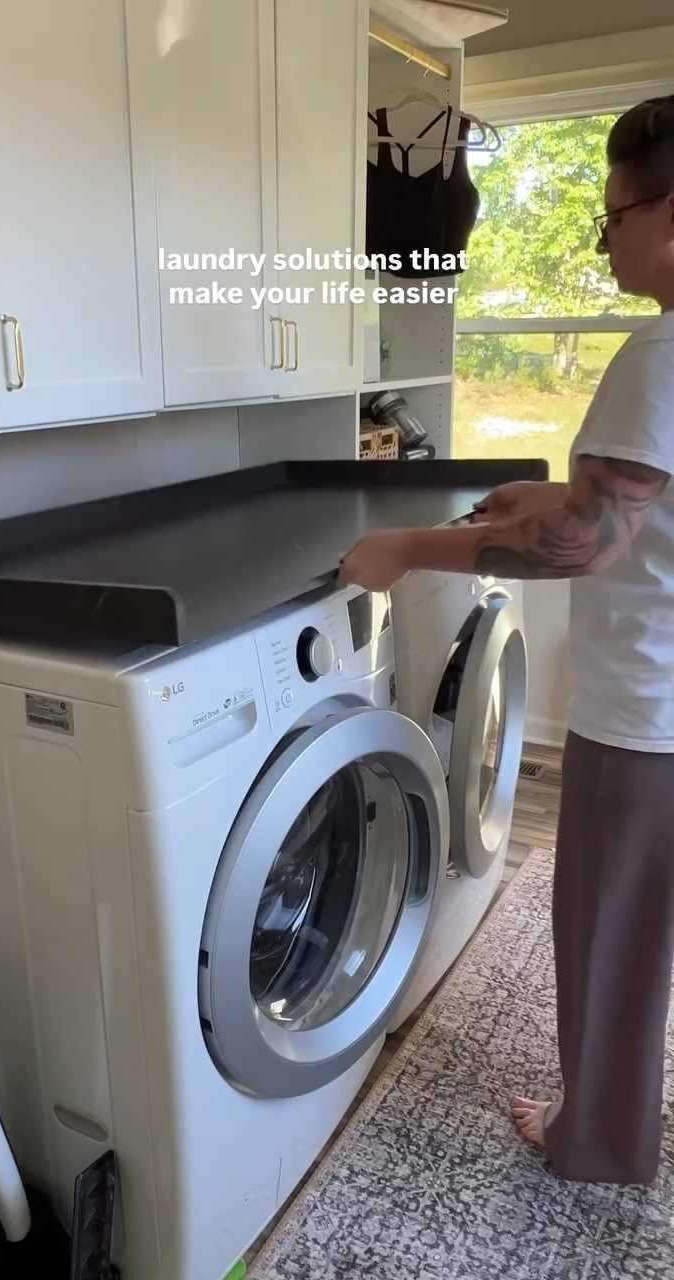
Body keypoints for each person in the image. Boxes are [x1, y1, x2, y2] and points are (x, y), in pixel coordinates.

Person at [338, 96, 674, 1185]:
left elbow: (588, 545)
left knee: (610, 939)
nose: (602, 237)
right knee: (641, 934)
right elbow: (622, 507)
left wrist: (404, 546)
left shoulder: (660, 353)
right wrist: (546, 493)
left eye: (614, 213)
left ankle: (596, 1143)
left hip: (650, 716)